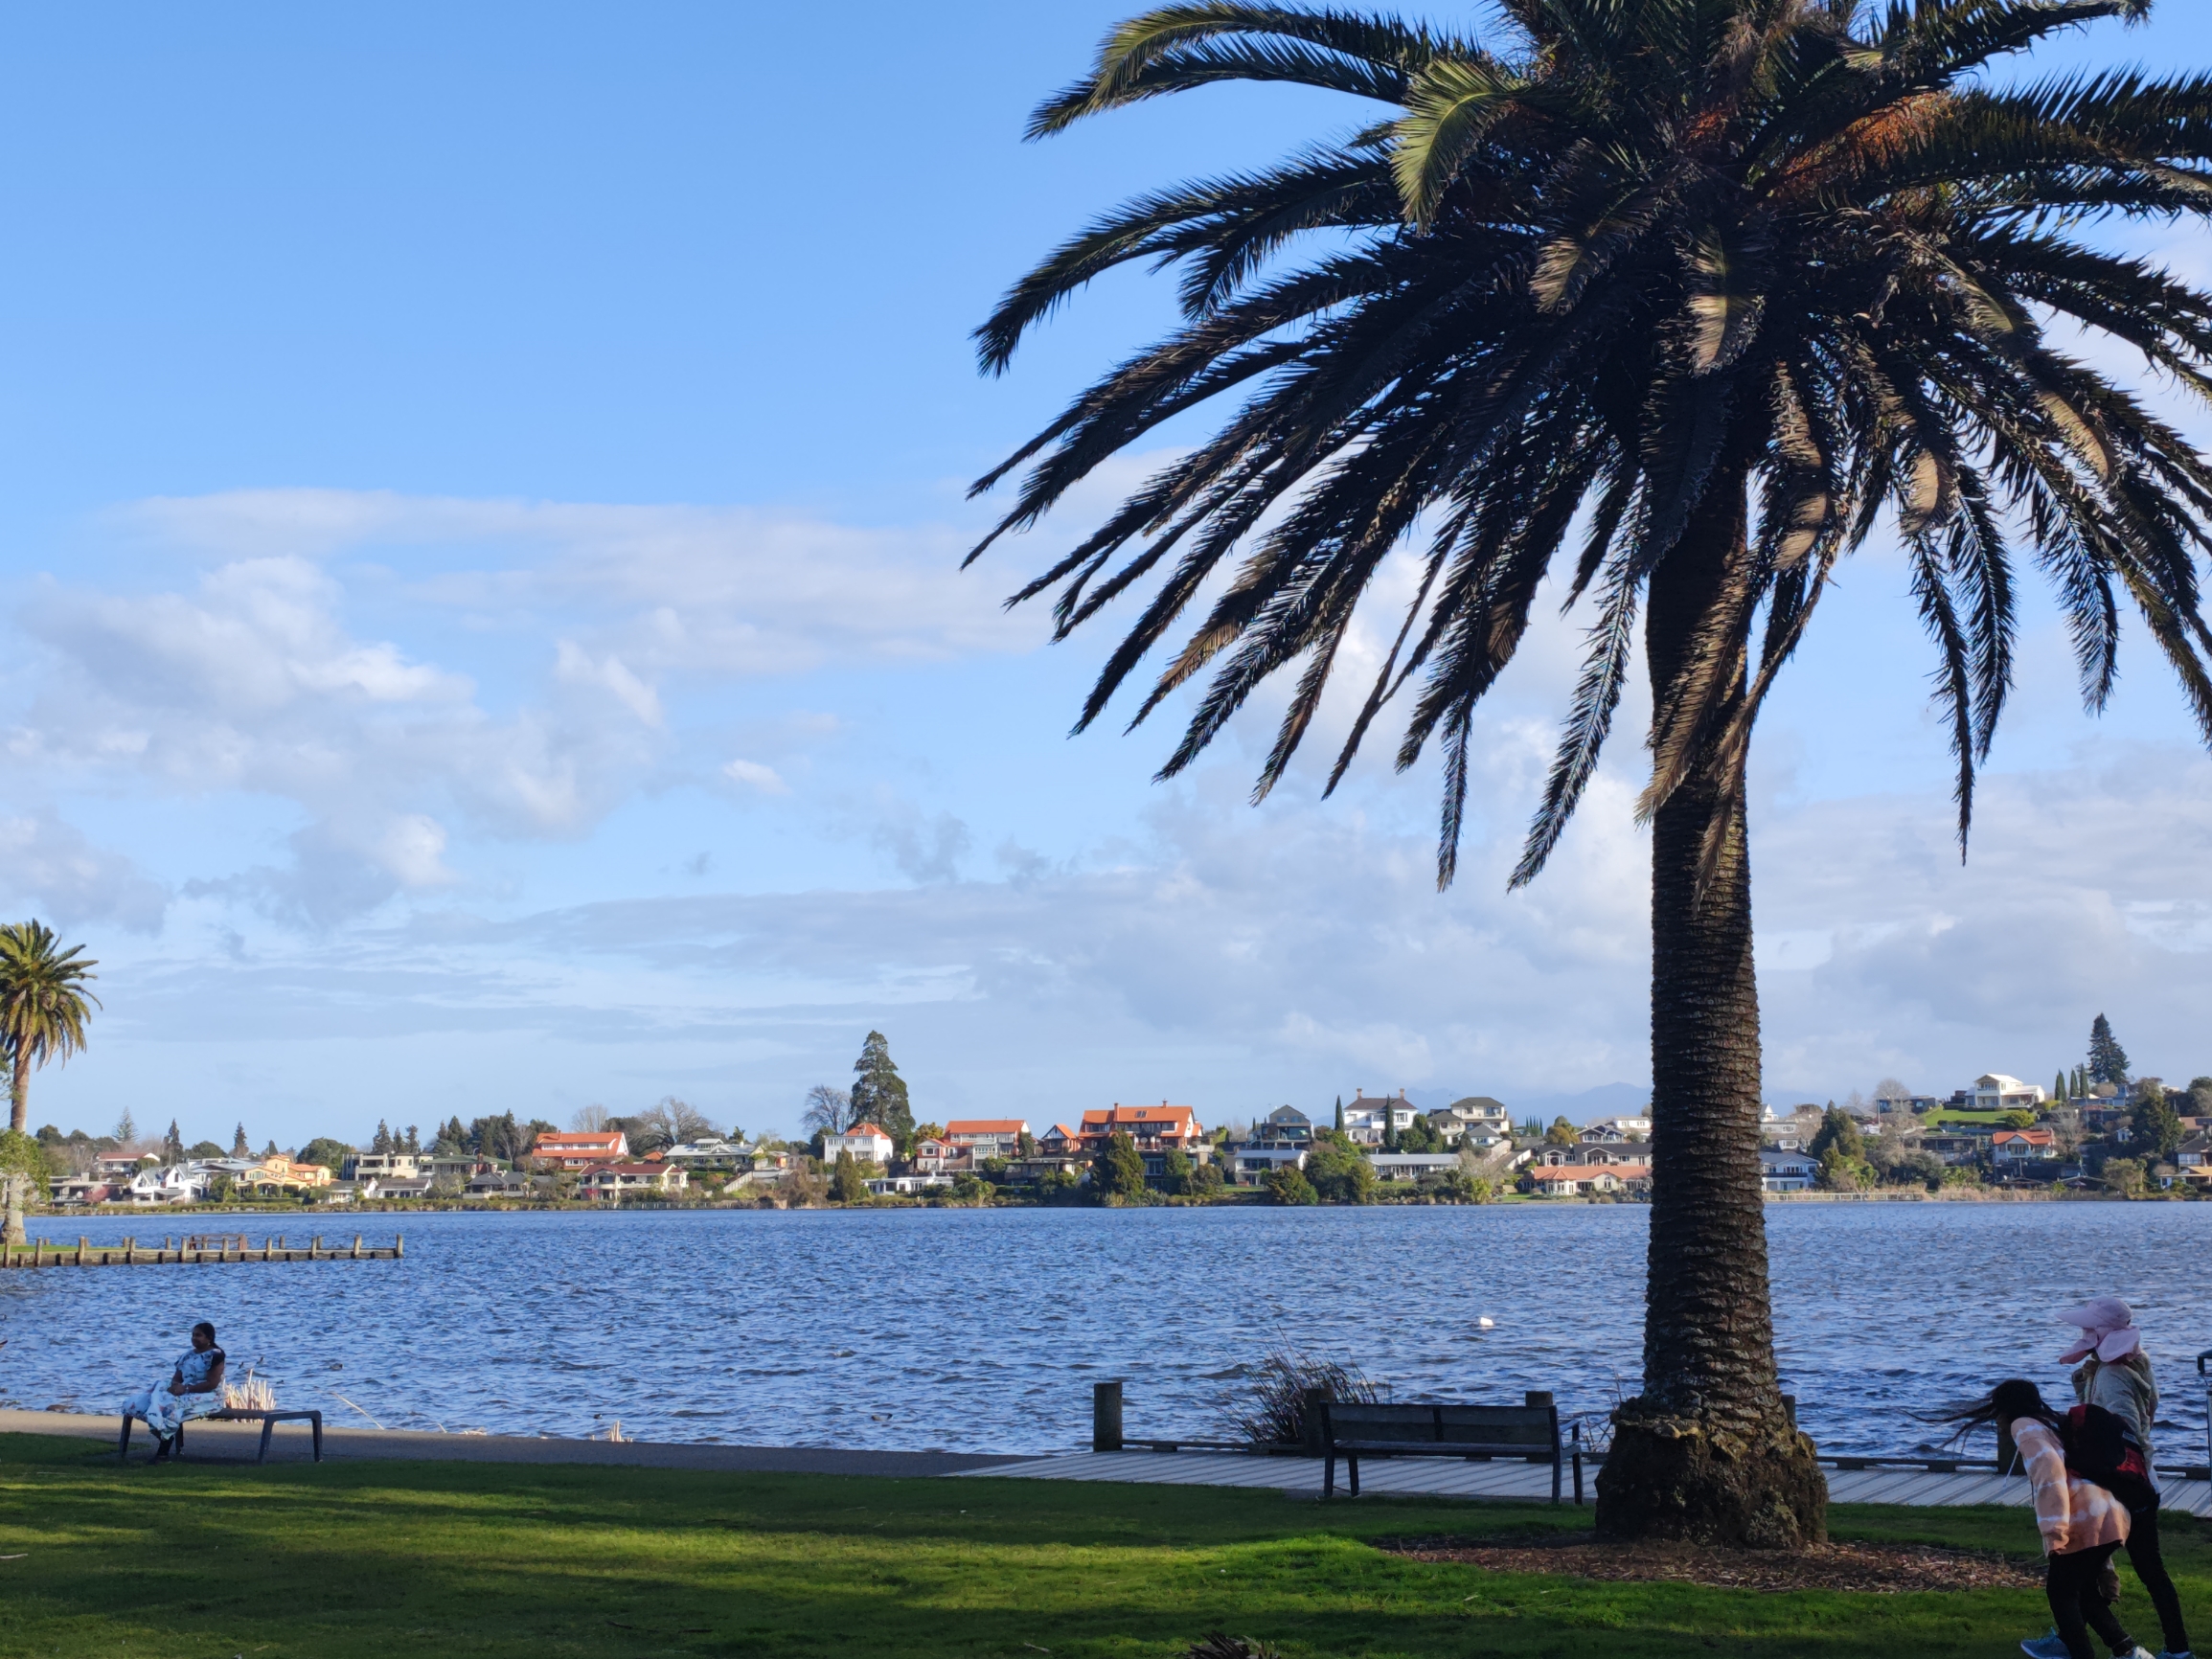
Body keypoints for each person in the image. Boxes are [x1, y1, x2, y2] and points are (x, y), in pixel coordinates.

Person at [2021, 1300, 2193, 1659]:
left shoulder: (2114, 1375)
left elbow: (2122, 1433)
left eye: (2089, 1329)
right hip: (2138, 1484)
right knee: (2132, 1572)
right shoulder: (2126, 1365)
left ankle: (2109, 1646)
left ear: (2104, 1334)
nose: (2082, 1335)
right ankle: (2172, 1650)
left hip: (2129, 1487)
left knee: (2082, 1574)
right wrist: (2085, 1383)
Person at [1948, 1378, 2151, 1659]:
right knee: (2084, 1592)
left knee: (2062, 1593)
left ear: (2006, 1408)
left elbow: (2050, 1474)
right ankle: (2129, 1652)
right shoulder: (2052, 1421)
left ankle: (2081, 1653)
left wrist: (2054, 1531)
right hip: (2110, 1511)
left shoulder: (2025, 1427)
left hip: (2083, 1518)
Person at [122, 1321, 227, 1460]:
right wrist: (175, 1387)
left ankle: (163, 1450)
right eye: (193, 1335)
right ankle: (162, 1432)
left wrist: (187, 1388)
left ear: (209, 1338)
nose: (194, 1338)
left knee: (170, 1407)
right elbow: (177, 1378)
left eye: (199, 1335)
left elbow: (212, 1384)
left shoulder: (215, 1356)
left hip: (208, 1395)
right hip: (184, 1391)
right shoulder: (187, 1356)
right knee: (147, 1401)